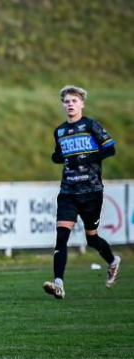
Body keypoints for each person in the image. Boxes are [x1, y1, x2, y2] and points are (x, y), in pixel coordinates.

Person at [43, 85, 119, 300]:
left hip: (92, 191)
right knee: (61, 238)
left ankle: (113, 261)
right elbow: (59, 155)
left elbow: (110, 148)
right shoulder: (59, 131)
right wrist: (57, 157)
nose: (70, 104)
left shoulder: (91, 125)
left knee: (92, 239)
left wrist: (88, 158)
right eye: (66, 101)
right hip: (68, 191)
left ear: (82, 104)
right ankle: (58, 284)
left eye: (74, 101)